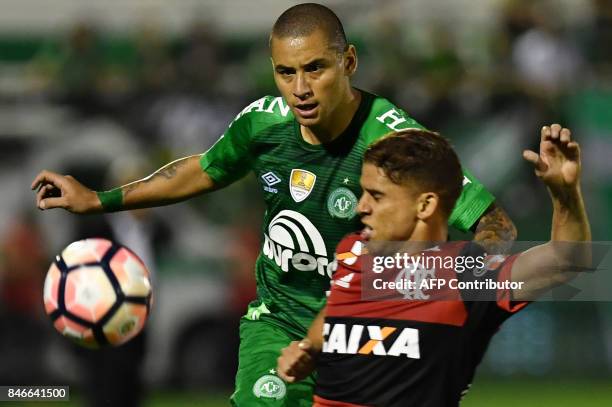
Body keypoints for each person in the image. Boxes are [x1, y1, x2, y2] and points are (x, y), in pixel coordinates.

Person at [31, 3, 516, 406]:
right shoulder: (264, 123)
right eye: (286, 72)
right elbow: (204, 169)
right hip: (280, 322)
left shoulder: (399, 143)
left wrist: (453, 314)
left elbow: (495, 228)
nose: (300, 89)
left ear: (348, 61)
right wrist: (101, 199)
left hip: (370, 335)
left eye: (315, 69)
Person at [276, 124, 591, 406]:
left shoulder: (464, 272)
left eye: (376, 195)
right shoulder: (354, 251)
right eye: (363, 193)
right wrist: (308, 349)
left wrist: (564, 195)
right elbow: (335, 312)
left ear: (425, 205)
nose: (362, 207)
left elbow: (566, 261)